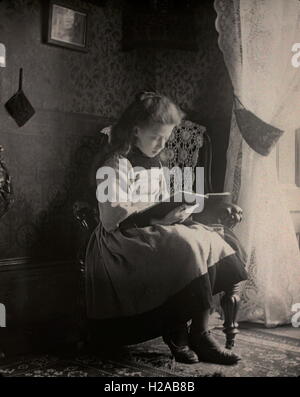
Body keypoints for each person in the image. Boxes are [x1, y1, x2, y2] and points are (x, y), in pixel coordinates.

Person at [85, 91, 248, 365]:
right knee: (185, 246)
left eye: (166, 138)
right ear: (135, 131)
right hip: (121, 240)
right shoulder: (116, 163)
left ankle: (200, 332)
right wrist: (157, 218)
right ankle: (177, 334)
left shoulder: (157, 163)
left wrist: (176, 212)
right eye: (155, 137)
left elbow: (160, 202)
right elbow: (111, 216)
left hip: (153, 230)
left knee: (209, 238)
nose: (161, 145)